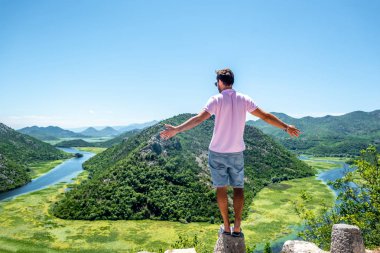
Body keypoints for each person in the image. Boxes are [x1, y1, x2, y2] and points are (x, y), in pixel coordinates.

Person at [159, 68, 300, 237]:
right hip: (236, 152)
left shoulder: (216, 100)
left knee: (221, 188)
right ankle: (238, 225)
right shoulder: (244, 99)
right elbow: (266, 116)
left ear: (219, 82)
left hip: (217, 151)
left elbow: (198, 119)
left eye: (216, 83)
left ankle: (226, 226)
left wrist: (177, 129)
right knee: (238, 187)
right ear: (232, 81)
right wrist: (286, 127)